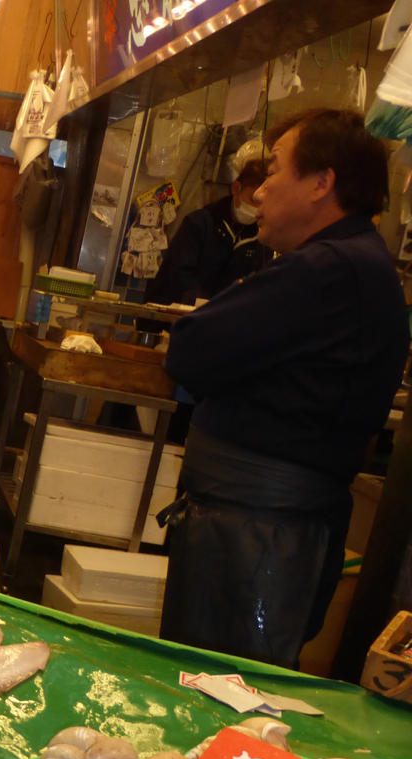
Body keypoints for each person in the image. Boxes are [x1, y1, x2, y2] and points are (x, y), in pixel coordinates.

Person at [160, 109, 410, 668]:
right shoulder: (352, 263)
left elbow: (191, 349)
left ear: (322, 182)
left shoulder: (329, 268)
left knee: (223, 689)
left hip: (259, 536)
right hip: (262, 528)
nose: (261, 189)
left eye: (274, 169)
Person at [145, 158, 272, 305]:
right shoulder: (198, 223)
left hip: (222, 315)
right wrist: (207, 307)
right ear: (236, 189)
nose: (257, 209)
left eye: (264, 203)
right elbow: (180, 275)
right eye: (253, 200)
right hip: (175, 312)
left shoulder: (262, 239)